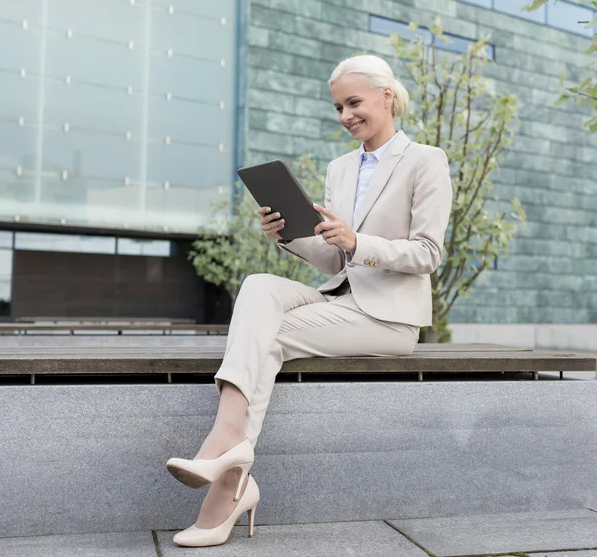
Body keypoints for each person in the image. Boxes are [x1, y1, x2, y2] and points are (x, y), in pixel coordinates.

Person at [165, 54, 453, 547]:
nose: (345, 116)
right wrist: (289, 236)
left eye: (354, 103)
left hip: (387, 318)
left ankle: (225, 474)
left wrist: (358, 241)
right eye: (339, 106)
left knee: (265, 340)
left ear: (387, 96)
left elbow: (428, 254)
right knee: (258, 283)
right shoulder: (339, 169)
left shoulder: (426, 160)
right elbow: (333, 262)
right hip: (338, 299)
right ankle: (229, 456)